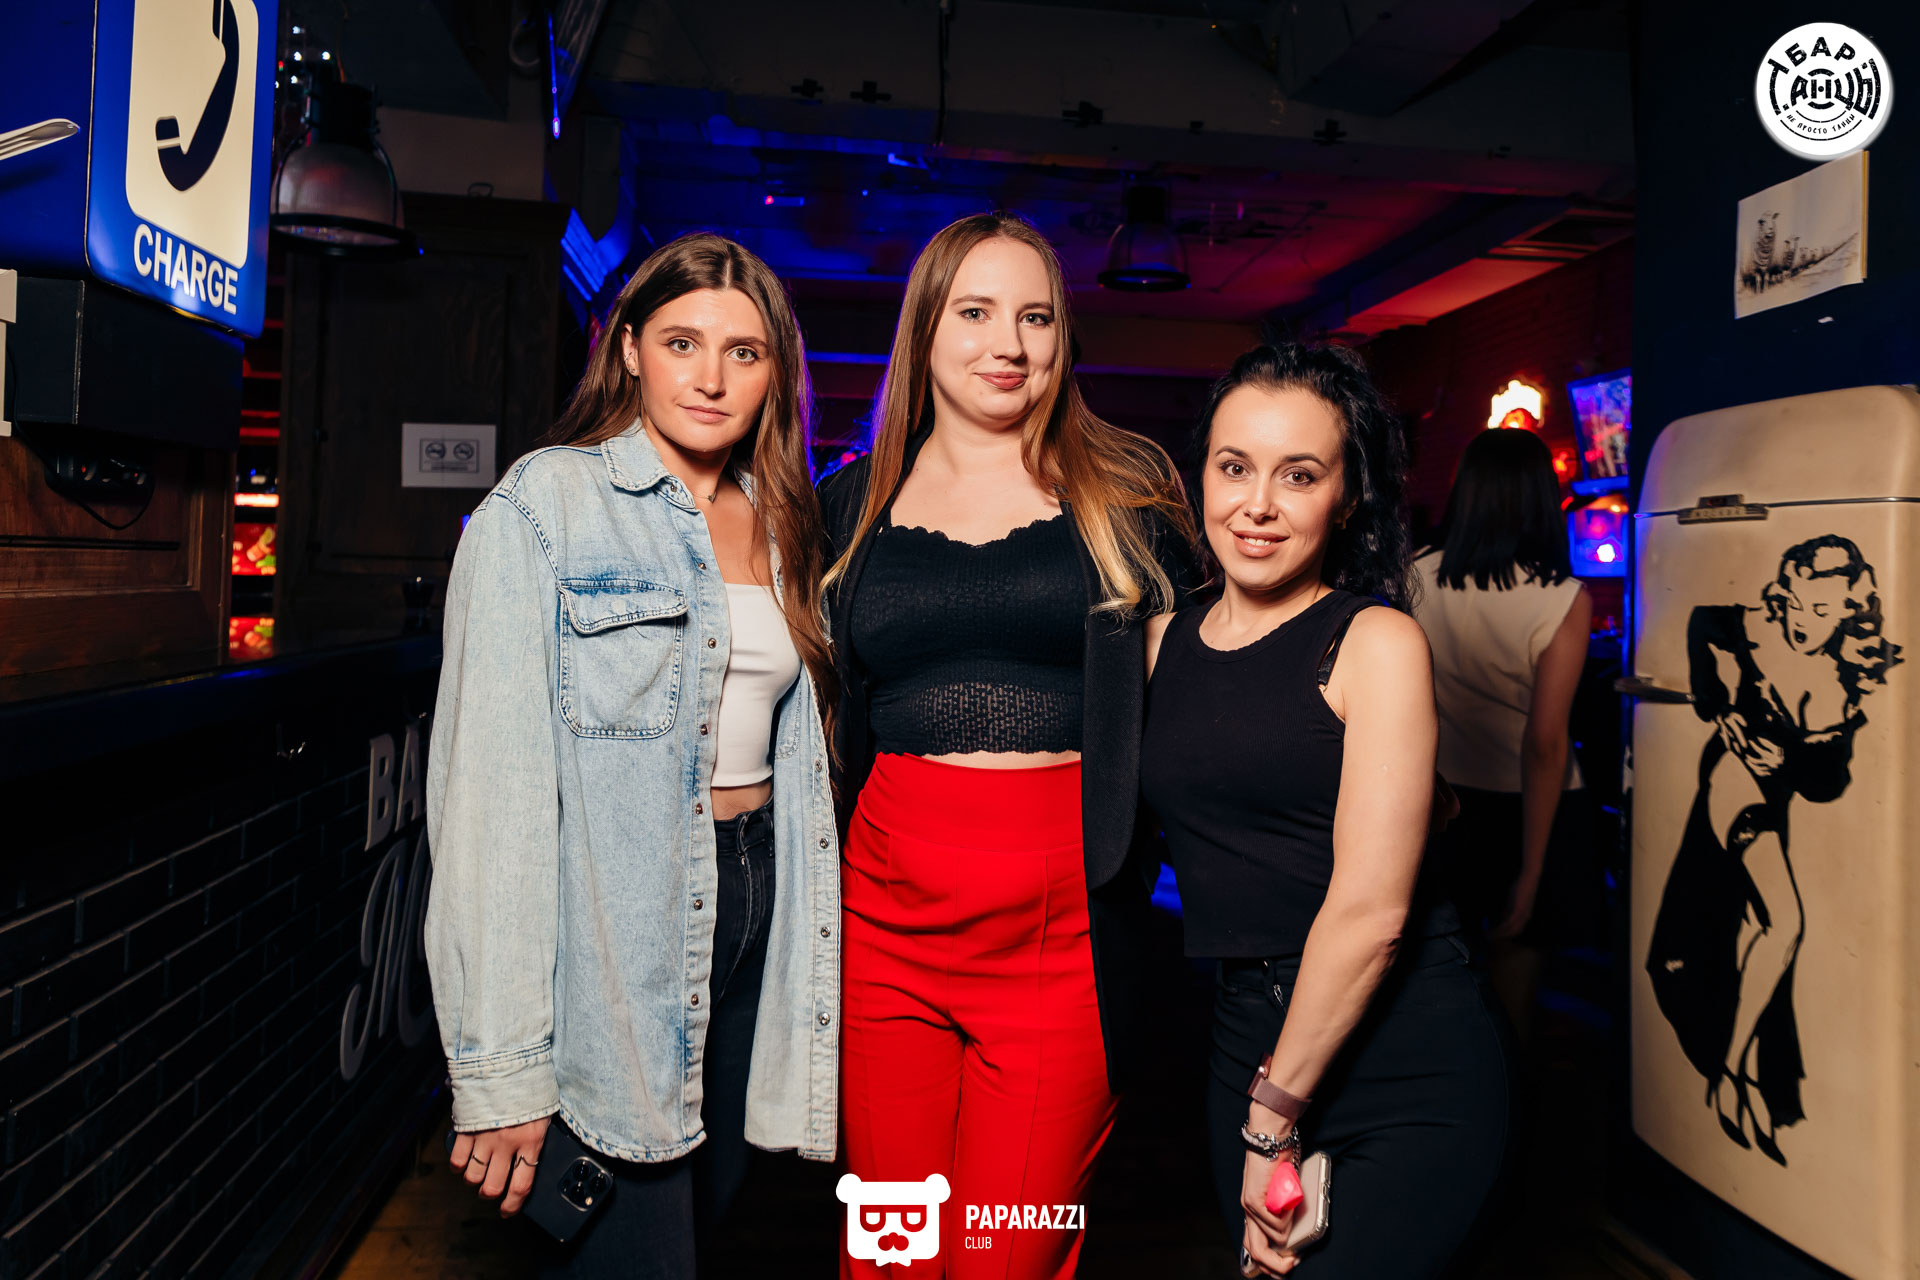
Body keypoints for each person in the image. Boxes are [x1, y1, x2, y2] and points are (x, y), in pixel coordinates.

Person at [423, 233, 842, 1278]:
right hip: (621, 925)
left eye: (744, 352)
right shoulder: (544, 506)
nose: (711, 377)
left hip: (759, 914)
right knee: (638, 1248)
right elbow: (489, 810)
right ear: (628, 350)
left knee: (712, 1228)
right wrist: (502, 1069)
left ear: (776, 375)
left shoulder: (786, 521)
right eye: (681, 342)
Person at [818, 212, 1195, 1279]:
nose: (1009, 344)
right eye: (976, 312)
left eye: (1035, 317)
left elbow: (1209, 685)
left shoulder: (1126, 495)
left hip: (1060, 941)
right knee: (891, 1257)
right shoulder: (848, 505)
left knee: (1005, 1256)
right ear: (925, 328)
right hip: (882, 928)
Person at [1139, 343, 1509, 1278]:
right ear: (1202, 476)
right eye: (1235, 467)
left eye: (1298, 475)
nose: (1257, 504)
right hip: (1243, 1035)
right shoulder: (1156, 643)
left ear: (1346, 498)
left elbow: (1372, 912)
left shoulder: (1374, 642)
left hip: (1400, 1052)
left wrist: (1272, 1117)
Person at [1647, 535, 1901, 1165]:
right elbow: (1702, 622)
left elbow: (1827, 784)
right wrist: (1716, 707)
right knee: (1782, 923)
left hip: (1775, 795)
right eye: (1797, 605)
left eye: (1824, 611)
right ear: (1784, 594)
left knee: (1762, 931)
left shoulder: (1842, 675)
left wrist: (1789, 759)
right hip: (1733, 783)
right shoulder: (1756, 625)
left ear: (1848, 609)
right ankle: (1731, 1073)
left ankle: (1734, 1075)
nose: (1804, 622)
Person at [1409, 427, 1595, 1036]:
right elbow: (1545, 744)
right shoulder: (1561, 596)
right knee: (1514, 976)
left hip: (1439, 801)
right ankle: (1509, 1088)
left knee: (1440, 969)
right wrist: (1532, 870)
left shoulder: (1414, 576)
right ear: (1542, 497)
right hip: (1531, 807)